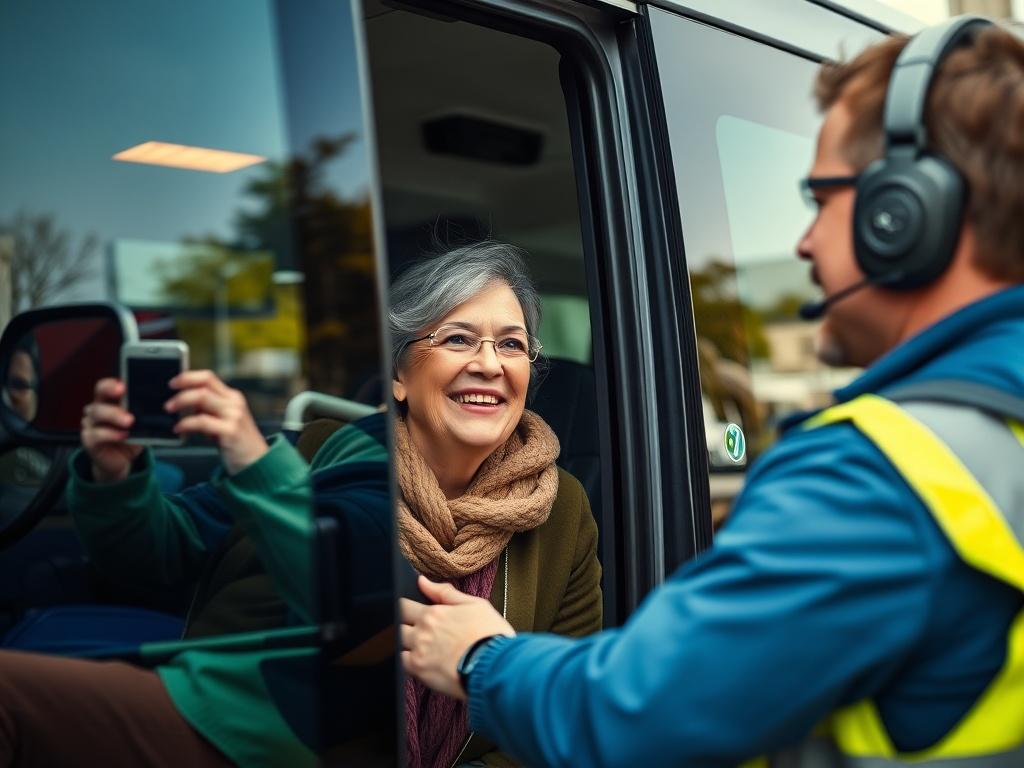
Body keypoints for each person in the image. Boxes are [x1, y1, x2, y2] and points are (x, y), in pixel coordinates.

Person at [400, 17, 1024, 766]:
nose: (802, 242)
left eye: (821, 197)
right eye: (459, 339)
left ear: (904, 215)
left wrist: (481, 662)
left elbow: (642, 720)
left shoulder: (877, 475)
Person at [0, 240, 600, 768]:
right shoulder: (322, 451)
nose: (490, 364)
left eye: (512, 345)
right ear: (399, 375)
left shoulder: (562, 510)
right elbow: (153, 556)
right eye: (460, 339)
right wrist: (117, 473)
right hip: (267, 738)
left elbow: (562, 703)